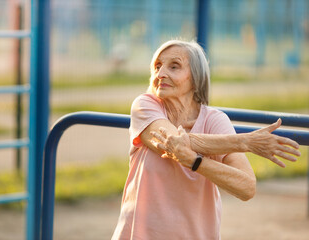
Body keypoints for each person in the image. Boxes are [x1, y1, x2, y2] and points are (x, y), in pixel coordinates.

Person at [111, 40, 301, 240]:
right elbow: (171, 141)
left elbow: (246, 187)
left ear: (196, 77)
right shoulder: (145, 105)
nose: (161, 74)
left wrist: (195, 162)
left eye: (174, 66)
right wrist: (243, 142)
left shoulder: (214, 119)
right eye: (157, 67)